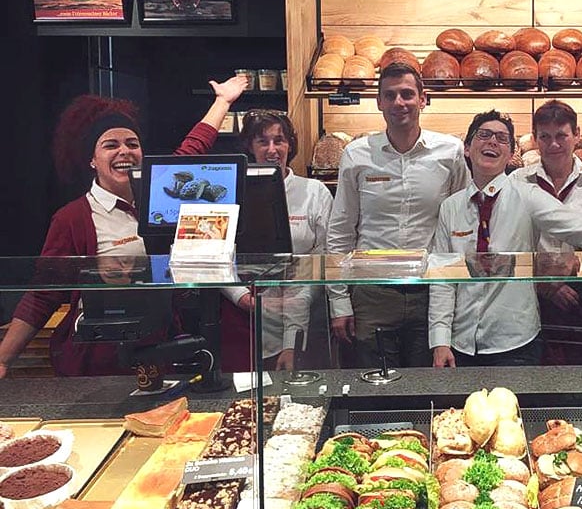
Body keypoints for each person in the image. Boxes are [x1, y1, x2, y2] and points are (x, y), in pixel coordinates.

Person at [0, 76, 250, 378]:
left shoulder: (158, 194)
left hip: (160, 349)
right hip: (97, 359)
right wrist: (4, 358)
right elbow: (42, 295)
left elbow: (192, 150)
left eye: (132, 144)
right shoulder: (72, 218)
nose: (124, 151)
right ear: (92, 159)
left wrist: (222, 102)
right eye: (110, 145)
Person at [429, 110, 582, 368]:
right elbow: (442, 279)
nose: (492, 142)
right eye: (484, 135)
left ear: (510, 155)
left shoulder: (527, 196)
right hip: (460, 342)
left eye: (502, 138)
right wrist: (440, 341)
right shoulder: (450, 208)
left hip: (516, 342)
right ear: (467, 148)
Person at [326, 63, 469, 369]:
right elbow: (340, 231)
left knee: (425, 386)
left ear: (423, 98)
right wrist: (338, 301)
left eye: (407, 94)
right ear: (378, 102)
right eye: (389, 95)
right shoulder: (356, 154)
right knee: (375, 387)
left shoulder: (451, 152)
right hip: (372, 293)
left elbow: (462, 222)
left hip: (430, 293)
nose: (398, 103)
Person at [220, 109, 333, 371]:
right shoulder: (230, 191)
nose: (272, 149)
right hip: (245, 320)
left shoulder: (314, 192)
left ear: (290, 144)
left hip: (306, 316)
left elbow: (322, 260)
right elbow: (217, 255)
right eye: (263, 141)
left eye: (279, 140)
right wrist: (241, 297)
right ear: (250, 146)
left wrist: (293, 331)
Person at [509, 100, 582, 364]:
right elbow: (512, 243)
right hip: (529, 295)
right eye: (545, 137)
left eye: (561, 136)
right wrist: (546, 285)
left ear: (577, 135)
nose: (553, 144)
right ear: (535, 139)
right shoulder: (517, 182)